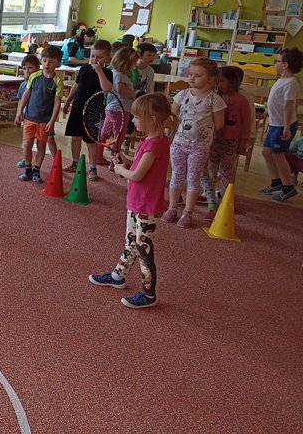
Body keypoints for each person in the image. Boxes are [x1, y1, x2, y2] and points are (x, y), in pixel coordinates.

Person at [88, 93, 175, 309]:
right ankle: (118, 276)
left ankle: (149, 294)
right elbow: (139, 168)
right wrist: (125, 162)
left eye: (136, 117)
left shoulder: (155, 145)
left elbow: (137, 176)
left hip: (146, 206)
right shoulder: (149, 141)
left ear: (152, 119)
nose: (133, 120)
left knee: (143, 248)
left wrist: (120, 169)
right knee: (132, 242)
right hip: (136, 202)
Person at [163, 57, 226, 228]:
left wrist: (202, 127)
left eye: (197, 76)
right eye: (190, 74)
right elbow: (172, 117)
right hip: (178, 143)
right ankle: (172, 208)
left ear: (211, 79)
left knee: (193, 178)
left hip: (199, 147)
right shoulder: (182, 94)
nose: (191, 78)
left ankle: (188, 212)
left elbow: (219, 123)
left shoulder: (215, 99)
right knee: (176, 175)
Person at [201, 66, 253, 221]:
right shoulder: (214, 97)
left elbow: (247, 123)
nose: (218, 84)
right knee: (211, 171)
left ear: (232, 82)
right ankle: (211, 203)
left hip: (231, 142)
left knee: (227, 172)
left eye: (221, 81)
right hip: (213, 140)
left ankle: (227, 202)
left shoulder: (241, 100)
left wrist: (244, 141)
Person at [62, 39, 113, 181]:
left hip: (94, 111)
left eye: (99, 57)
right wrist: (68, 101)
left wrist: (99, 71)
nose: (95, 60)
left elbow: (107, 88)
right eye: (92, 56)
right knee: (75, 138)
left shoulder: (108, 73)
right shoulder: (84, 69)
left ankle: (92, 168)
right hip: (78, 107)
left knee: (91, 141)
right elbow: (76, 86)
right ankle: (75, 162)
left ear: (108, 58)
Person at [259, 48, 302, 202]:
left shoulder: (291, 83)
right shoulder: (281, 79)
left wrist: (286, 127)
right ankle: (276, 182)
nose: (274, 63)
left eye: (276, 61)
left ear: (285, 65)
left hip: (282, 126)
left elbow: (289, 106)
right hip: (274, 125)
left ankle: (288, 187)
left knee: (278, 155)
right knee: (266, 152)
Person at [15, 45, 63, 183]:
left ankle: (36, 170)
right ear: (41, 60)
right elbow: (25, 95)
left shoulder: (58, 82)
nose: (47, 64)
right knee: (27, 145)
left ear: (58, 63)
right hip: (29, 118)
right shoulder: (34, 77)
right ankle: (28, 169)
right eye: (45, 60)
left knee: (41, 146)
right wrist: (19, 112)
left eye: (51, 62)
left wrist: (52, 121)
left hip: (44, 120)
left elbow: (57, 103)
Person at [100, 47, 138, 170]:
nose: (133, 66)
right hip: (120, 110)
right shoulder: (121, 75)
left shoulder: (114, 72)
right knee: (118, 137)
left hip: (111, 109)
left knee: (105, 133)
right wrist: (132, 94)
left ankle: (98, 155)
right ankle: (114, 163)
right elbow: (121, 90)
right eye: (132, 63)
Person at [15, 54, 40, 169]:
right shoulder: (23, 85)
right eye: (24, 68)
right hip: (27, 117)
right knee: (27, 141)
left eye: (30, 68)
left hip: (41, 117)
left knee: (46, 141)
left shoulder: (40, 83)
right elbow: (20, 100)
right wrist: (18, 114)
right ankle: (26, 159)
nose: (27, 71)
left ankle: (56, 160)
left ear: (37, 68)